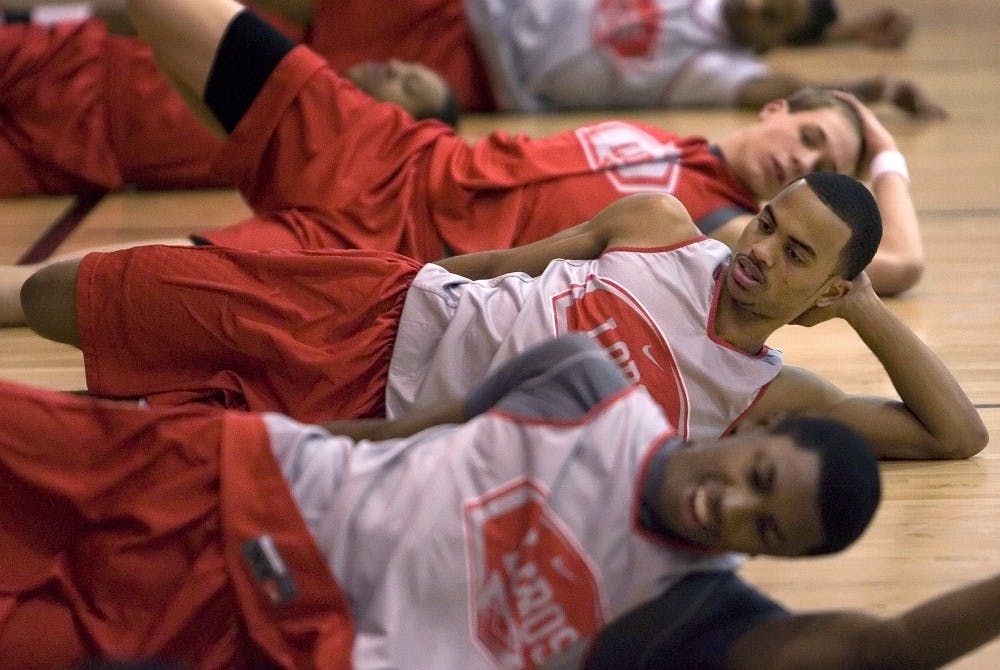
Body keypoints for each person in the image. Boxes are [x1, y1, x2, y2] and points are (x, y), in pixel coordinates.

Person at [1, 335, 999, 669]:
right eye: (758, 478)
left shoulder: (687, 611)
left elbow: (887, 649)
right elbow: (407, 433)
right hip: (239, 474)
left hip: (279, 635)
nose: (734, 507)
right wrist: (281, 433)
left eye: (765, 529)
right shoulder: (584, 377)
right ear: (756, 434)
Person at [20, 148, 988, 462]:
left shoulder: (761, 397)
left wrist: (863, 308)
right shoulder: (658, 222)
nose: (760, 251)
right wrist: (385, 278)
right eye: (768, 224)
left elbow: (955, 434)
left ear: (826, 289)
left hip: (387, 438)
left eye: (795, 256)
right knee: (80, 291)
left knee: (111, 442)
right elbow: (493, 264)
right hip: (375, 312)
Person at [0, 6, 927, 329]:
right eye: (814, 137)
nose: (804, 161)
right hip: (385, 149)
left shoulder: (705, 224)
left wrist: (885, 156)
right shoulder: (674, 136)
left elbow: (896, 265)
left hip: (373, 255)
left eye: (825, 166)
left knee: (71, 288)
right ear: (776, 112)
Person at [0, 12, 459, 198]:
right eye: (407, 65)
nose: (394, 66)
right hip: (69, 62)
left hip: (74, 158)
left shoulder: (311, 161)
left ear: (400, 124)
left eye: (409, 84)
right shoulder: (292, 40)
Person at [244, 0, 941, 115]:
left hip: (491, 72)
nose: (760, 8)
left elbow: (782, 84)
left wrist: (874, 83)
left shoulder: (714, 70)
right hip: (470, 10)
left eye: (776, 18)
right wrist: (848, 27)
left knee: (311, 72)